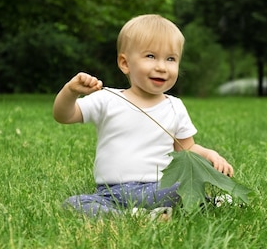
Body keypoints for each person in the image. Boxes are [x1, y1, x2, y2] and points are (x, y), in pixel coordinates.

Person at [53, 14, 234, 217]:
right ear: (125, 63)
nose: (161, 66)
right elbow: (64, 115)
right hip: (113, 193)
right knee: (74, 204)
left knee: (183, 187)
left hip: (161, 187)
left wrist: (211, 155)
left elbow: (187, 148)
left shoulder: (175, 106)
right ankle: (135, 216)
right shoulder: (107, 99)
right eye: (150, 56)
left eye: (171, 59)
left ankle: (195, 204)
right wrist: (71, 91)